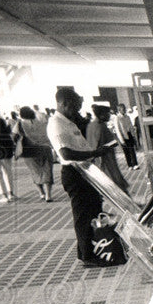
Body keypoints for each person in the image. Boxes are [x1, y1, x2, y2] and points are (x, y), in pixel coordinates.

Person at [46, 87, 109, 266]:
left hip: (84, 171)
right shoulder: (57, 124)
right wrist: (96, 152)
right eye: (75, 106)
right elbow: (65, 154)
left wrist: (93, 153)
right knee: (83, 216)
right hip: (74, 173)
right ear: (63, 103)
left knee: (94, 212)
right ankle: (87, 256)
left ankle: (94, 249)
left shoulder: (68, 122)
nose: (78, 110)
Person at [14, 106, 55, 202]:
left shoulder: (19, 124)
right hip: (45, 148)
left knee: (35, 172)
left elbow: (14, 135)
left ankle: (41, 193)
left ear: (21, 114)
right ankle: (48, 195)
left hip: (30, 151)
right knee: (47, 171)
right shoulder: (41, 121)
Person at [86, 105, 130, 193]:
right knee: (114, 183)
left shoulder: (93, 124)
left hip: (104, 158)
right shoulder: (99, 126)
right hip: (104, 160)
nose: (109, 115)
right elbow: (97, 144)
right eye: (108, 113)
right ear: (102, 115)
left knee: (115, 182)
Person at [113, 103, 139, 170]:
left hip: (129, 134)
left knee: (132, 150)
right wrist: (121, 139)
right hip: (123, 136)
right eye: (123, 109)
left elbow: (130, 126)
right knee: (126, 151)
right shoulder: (117, 118)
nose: (124, 110)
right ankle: (130, 165)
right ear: (119, 110)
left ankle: (135, 164)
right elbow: (118, 129)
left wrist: (133, 135)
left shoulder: (127, 117)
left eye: (124, 108)